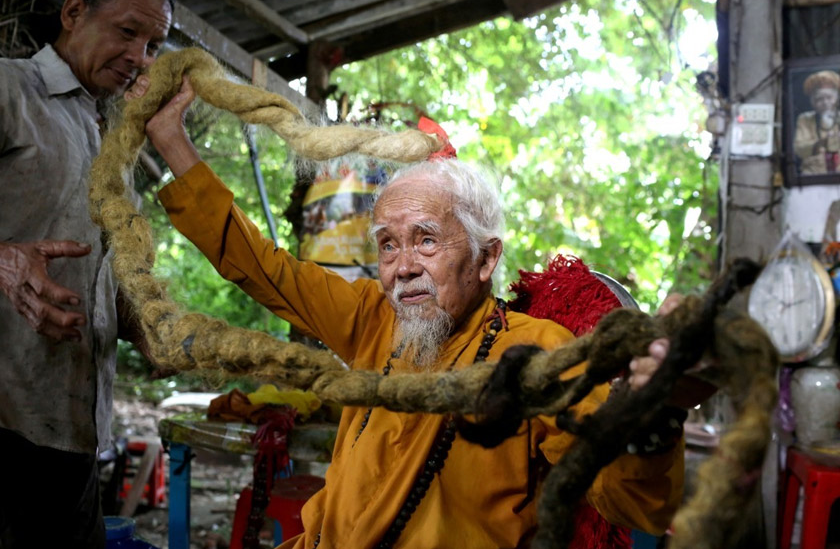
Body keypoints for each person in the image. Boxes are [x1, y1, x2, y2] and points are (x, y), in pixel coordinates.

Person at [137, 76, 698, 548]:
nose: (402, 267)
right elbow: (263, 269)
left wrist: (655, 412)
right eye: (387, 245)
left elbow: (627, 499)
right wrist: (170, 139)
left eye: (426, 241)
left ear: (486, 258)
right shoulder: (372, 319)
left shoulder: (536, 352)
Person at [0, 0, 174, 547]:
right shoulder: (9, 88)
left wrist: (145, 326)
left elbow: (101, 269)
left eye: (153, 45)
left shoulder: (111, 142)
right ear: (73, 13)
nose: (139, 58)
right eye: (128, 32)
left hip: (73, 429)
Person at [794, 69, 840, 174]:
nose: (825, 102)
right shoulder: (805, 119)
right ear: (813, 102)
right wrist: (821, 143)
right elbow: (799, 149)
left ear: (836, 98)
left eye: (829, 97)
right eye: (820, 99)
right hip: (813, 174)